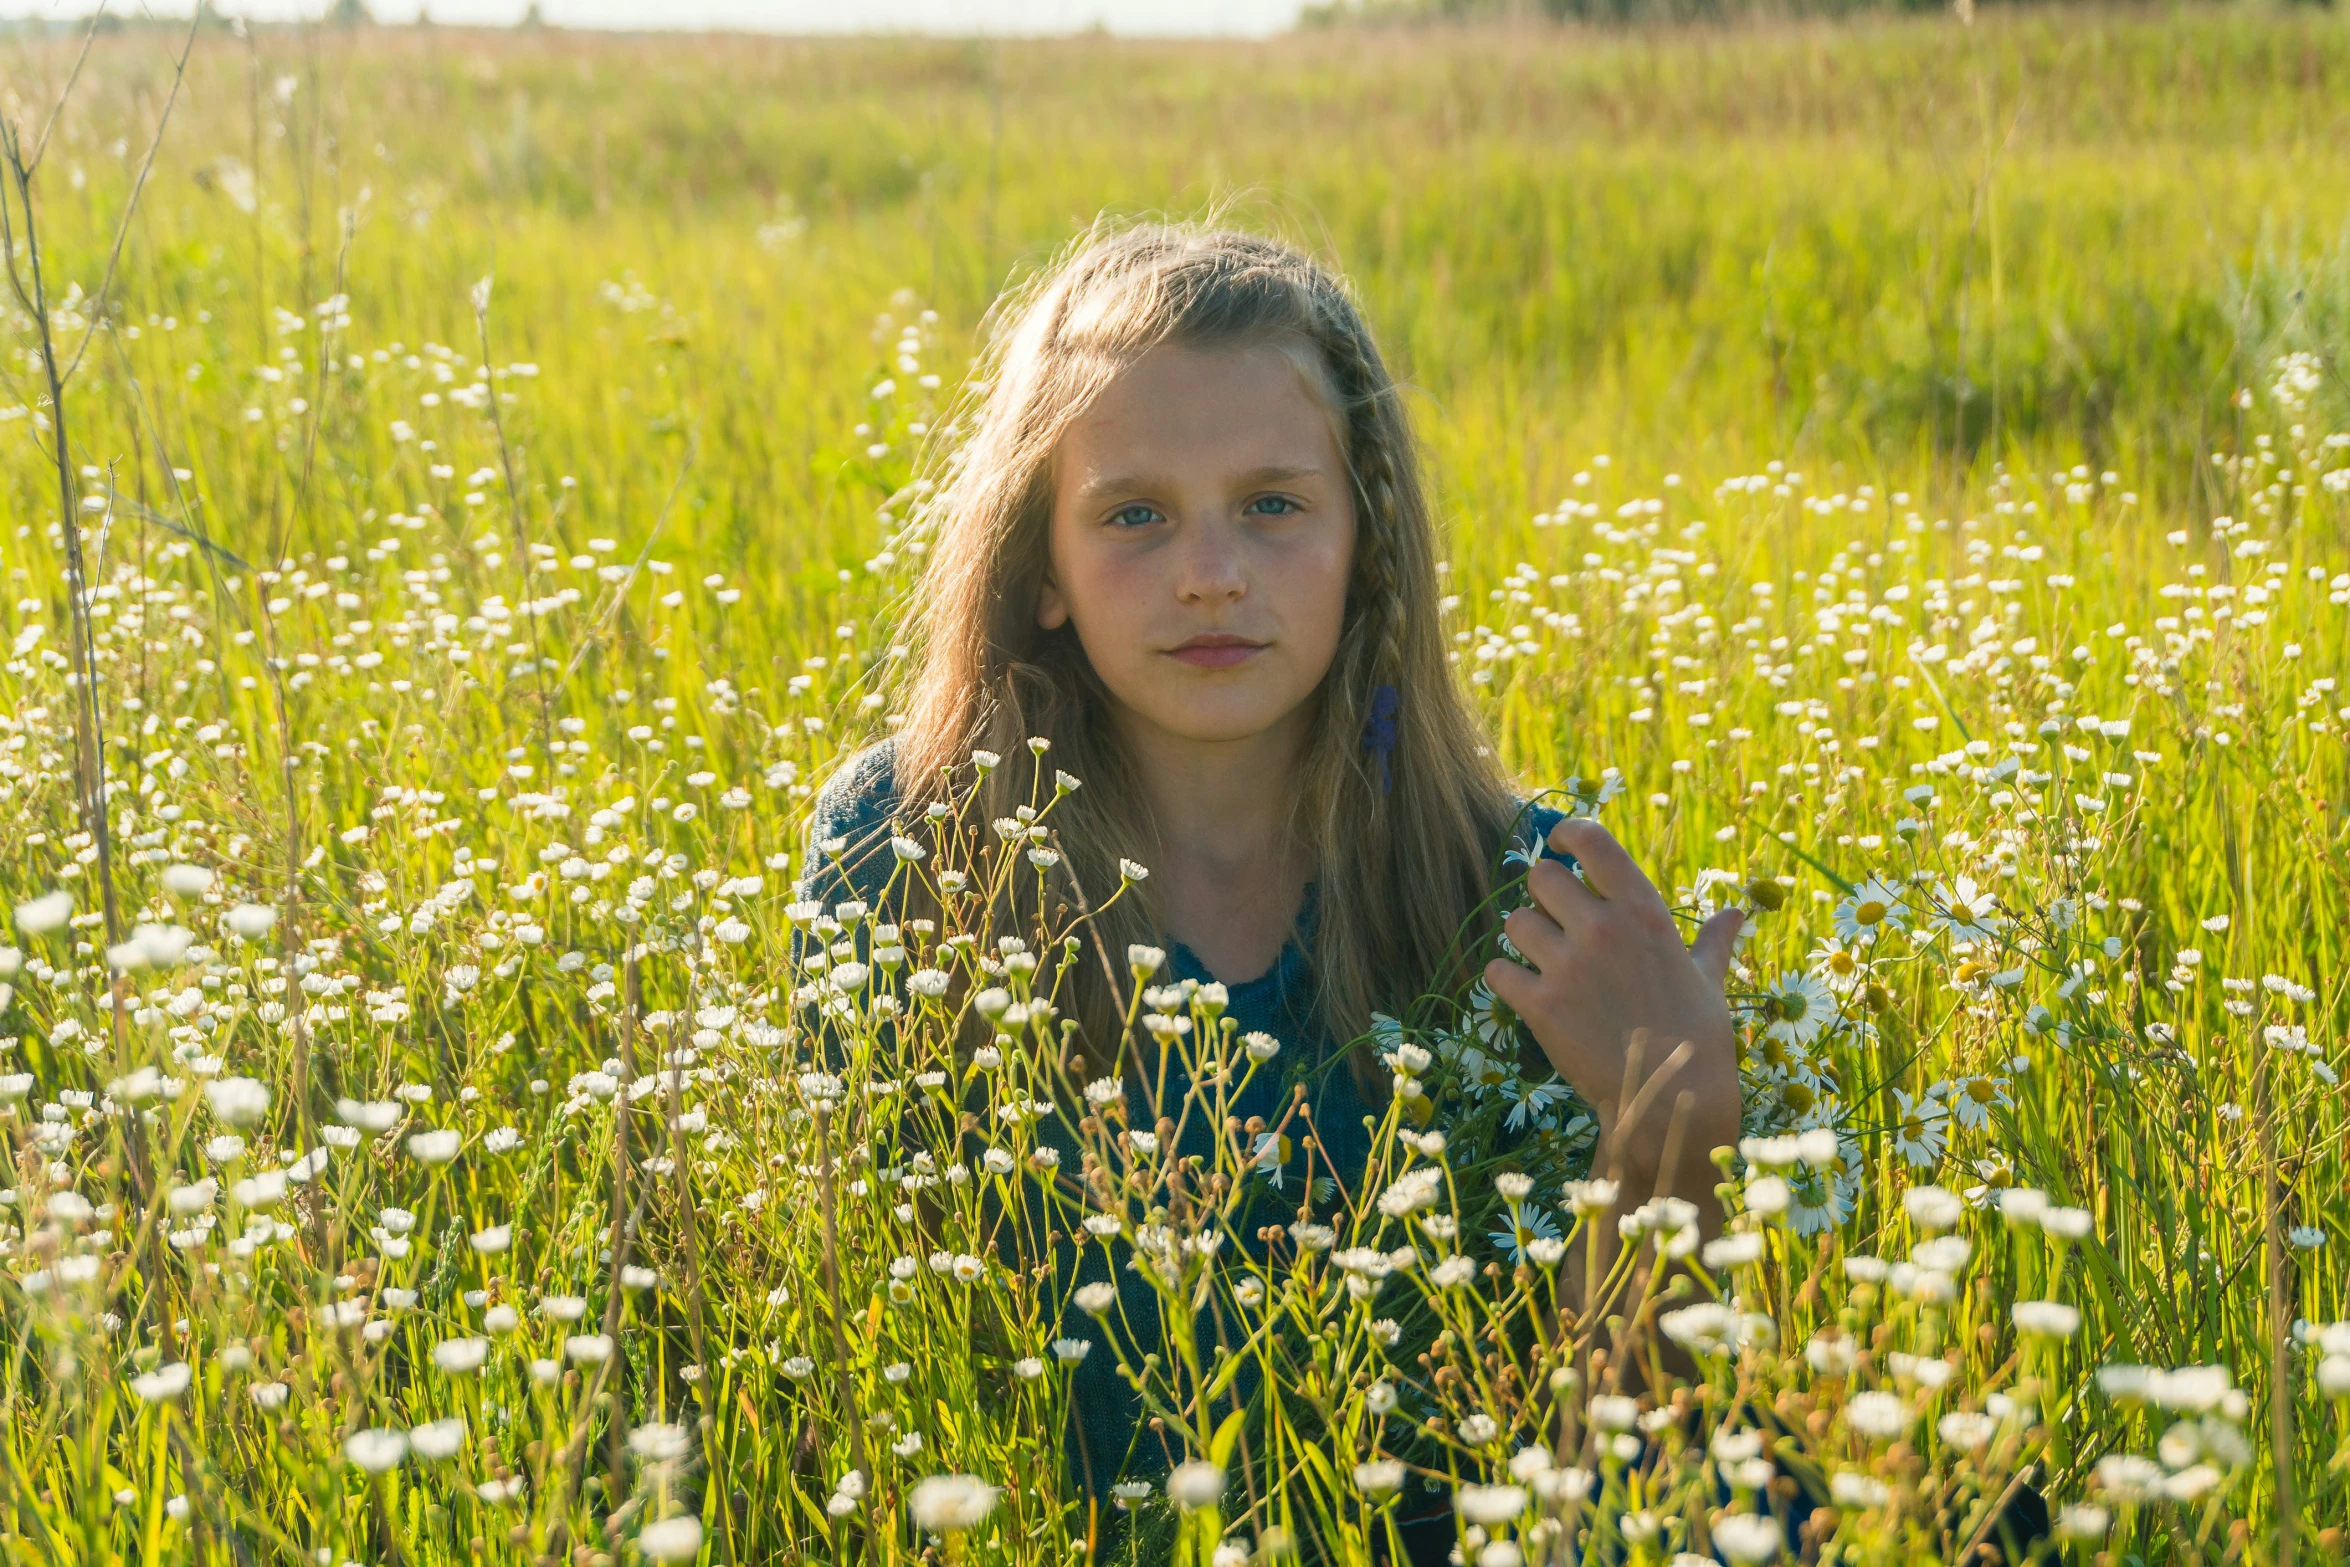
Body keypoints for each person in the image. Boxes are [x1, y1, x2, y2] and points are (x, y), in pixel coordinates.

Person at [798, 219, 1745, 1560]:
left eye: (1272, 504)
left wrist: (1675, 1122)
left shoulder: (1525, 895)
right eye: (1132, 514)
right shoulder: (904, 846)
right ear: (1037, 567)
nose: (1209, 573)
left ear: (1366, 537)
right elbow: (873, 1364)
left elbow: (1612, 1468)